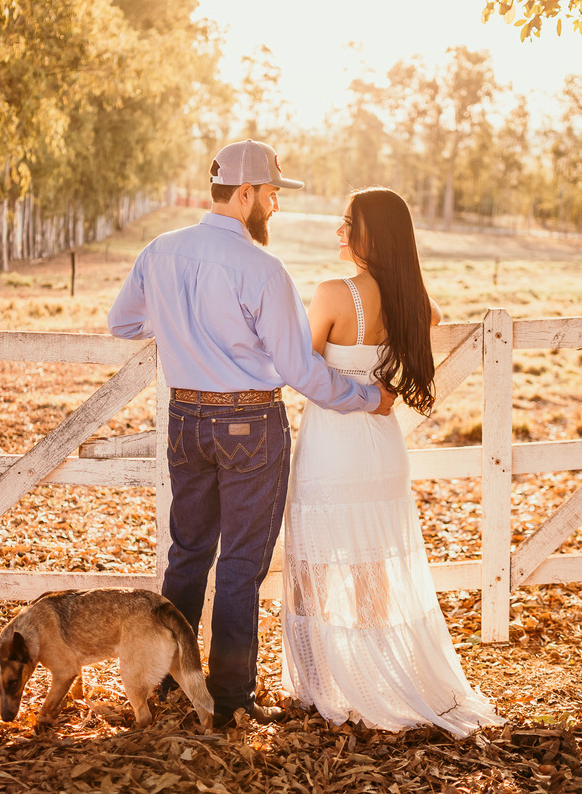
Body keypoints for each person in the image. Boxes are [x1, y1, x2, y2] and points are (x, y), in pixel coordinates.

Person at [107, 140, 396, 728]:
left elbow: (123, 322)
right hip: (249, 426)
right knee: (240, 565)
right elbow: (299, 370)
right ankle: (231, 697)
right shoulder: (263, 269)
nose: (275, 206)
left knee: (187, 554)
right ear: (244, 194)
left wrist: (181, 323)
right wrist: (369, 398)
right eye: (270, 195)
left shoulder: (159, 251)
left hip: (185, 420)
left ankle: (170, 683)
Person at [281, 187, 503, 737]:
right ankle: (375, 680)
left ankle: (318, 686)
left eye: (347, 223)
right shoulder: (415, 302)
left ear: (372, 234)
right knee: (372, 570)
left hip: (332, 446)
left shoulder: (334, 293)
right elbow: (431, 317)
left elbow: (300, 369)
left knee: (312, 569)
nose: (338, 231)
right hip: (382, 447)